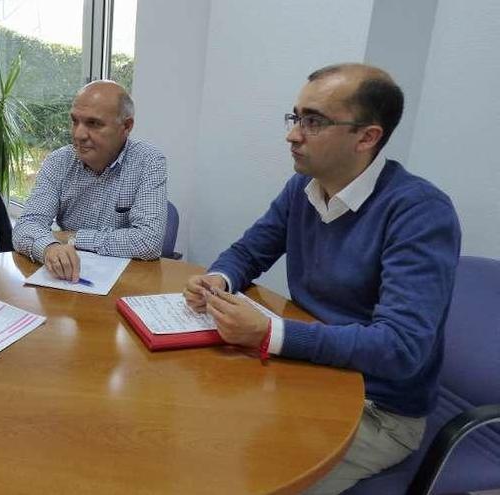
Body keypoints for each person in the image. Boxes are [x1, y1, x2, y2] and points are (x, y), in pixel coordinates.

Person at [183, 63, 460, 494]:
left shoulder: (420, 212)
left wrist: (271, 333)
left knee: (243, 480)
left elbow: (401, 347)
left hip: (379, 410)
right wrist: (218, 279)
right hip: (308, 374)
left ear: (367, 137)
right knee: (194, 438)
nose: (293, 135)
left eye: (313, 122)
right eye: (296, 118)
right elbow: (248, 251)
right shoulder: (305, 188)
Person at [12, 80, 167, 282]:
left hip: (126, 281)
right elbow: (26, 226)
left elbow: (149, 241)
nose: (79, 134)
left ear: (126, 126)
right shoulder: (59, 161)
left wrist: (73, 238)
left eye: (94, 124)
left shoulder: (148, 161)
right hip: (67, 281)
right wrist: (49, 247)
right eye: (75, 121)